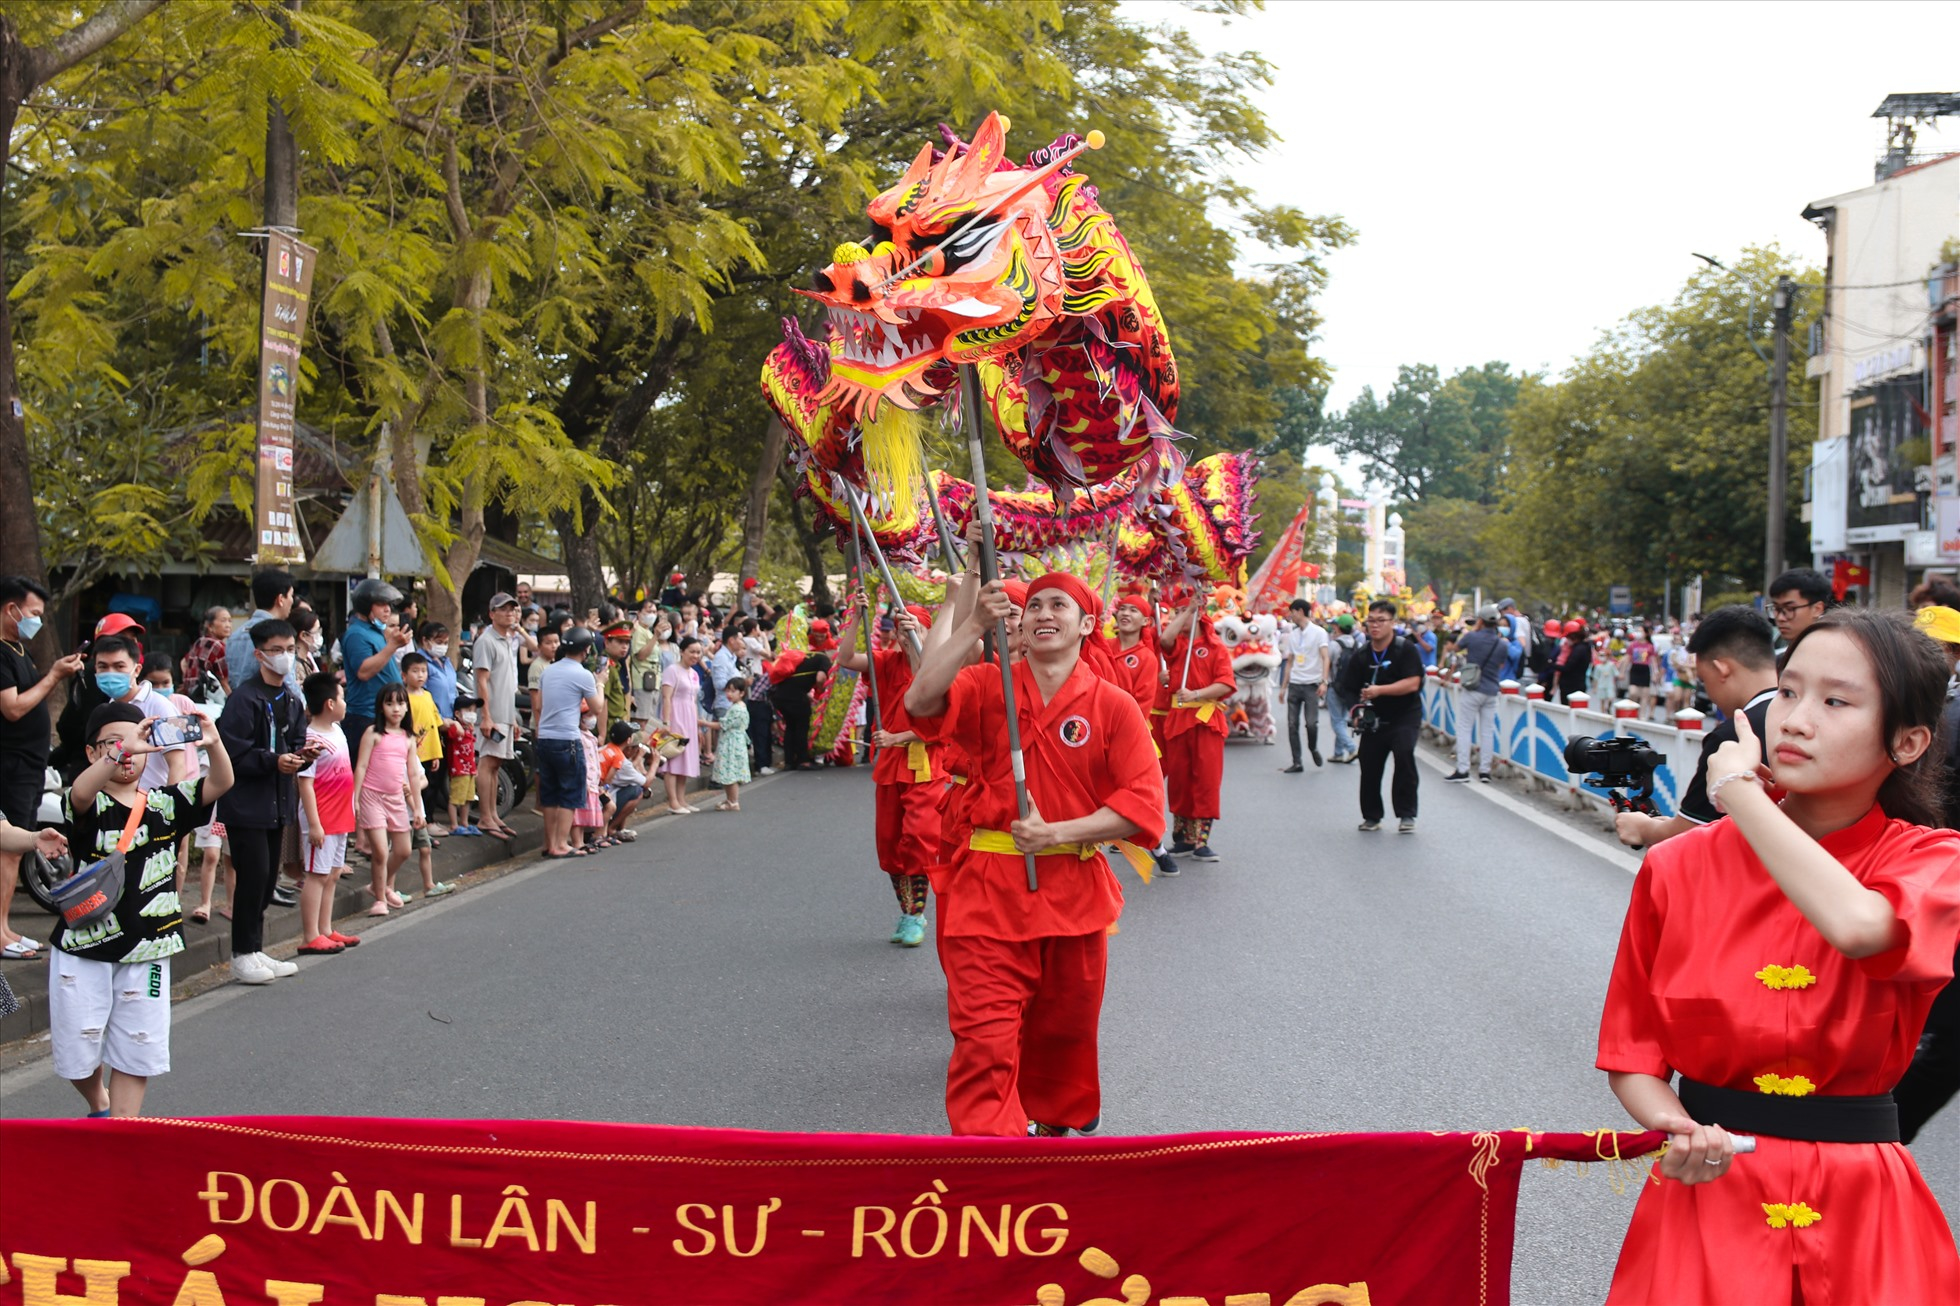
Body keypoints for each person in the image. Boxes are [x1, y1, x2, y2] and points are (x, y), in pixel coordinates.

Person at [1596, 608, 1960, 1304]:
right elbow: (1632, 1056)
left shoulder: (1931, 861)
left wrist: (1736, 794)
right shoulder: (1676, 868)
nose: (1793, 720)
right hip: (1710, 1192)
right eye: (1788, 692)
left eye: (1835, 701)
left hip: (1863, 1205)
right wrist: (1678, 1128)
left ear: (1908, 741)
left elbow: (1861, 928)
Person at [905, 571, 1165, 1137]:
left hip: (1073, 898)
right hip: (987, 896)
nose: (1044, 613)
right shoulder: (985, 685)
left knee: (1062, 1032)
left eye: (1059, 605)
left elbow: (1144, 808)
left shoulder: (1113, 705)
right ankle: (990, 1167)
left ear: (1086, 624)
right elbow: (921, 700)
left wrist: (1059, 833)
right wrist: (972, 616)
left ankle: (1050, 1125)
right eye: (1035, 606)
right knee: (985, 1041)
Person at [55, 699, 233, 1115]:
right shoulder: (84, 802)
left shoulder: (165, 804)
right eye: (113, 744)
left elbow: (220, 783)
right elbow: (81, 792)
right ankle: (99, 1101)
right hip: (84, 945)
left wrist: (213, 742)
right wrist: (123, 747)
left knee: (138, 1045)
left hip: (150, 946)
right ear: (91, 753)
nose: (129, 752)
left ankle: (121, 1129)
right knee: (77, 1047)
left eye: (138, 742)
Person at [1613, 606, 1778, 849]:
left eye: (1703, 679)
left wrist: (1644, 828)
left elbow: (1692, 832)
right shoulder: (1801, 716)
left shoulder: (1733, 736)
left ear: (1722, 669)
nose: (1708, 693)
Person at [212, 618, 308, 986]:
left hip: (278, 803)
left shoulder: (290, 698)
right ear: (259, 654)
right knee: (252, 878)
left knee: (268, 879)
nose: (284, 657)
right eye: (276, 650)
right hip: (247, 805)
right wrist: (273, 761)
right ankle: (241, 955)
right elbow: (231, 753)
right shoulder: (244, 699)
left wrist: (303, 755)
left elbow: (297, 739)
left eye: (289, 649)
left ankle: (254, 948)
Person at [836, 603, 936, 943]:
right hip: (890, 765)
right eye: (901, 631)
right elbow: (846, 659)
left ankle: (916, 914)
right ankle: (908, 912)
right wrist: (855, 619)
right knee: (891, 843)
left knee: (920, 840)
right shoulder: (887, 663)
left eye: (915, 631)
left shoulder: (938, 669)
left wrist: (898, 737)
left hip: (925, 765)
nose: (907, 637)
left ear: (928, 634)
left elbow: (943, 723)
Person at [0, 576, 85, 958]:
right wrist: (53, 675)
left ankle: (4, 928)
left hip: (29, 764)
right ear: (10, 609)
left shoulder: (17, 648)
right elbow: (13, 707)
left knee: (15, 849)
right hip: (11, 765)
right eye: (33, 613)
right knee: (8, 846)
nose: (36, 620)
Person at [1335, 600, 1426, 833]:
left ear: (1392, 623)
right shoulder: (1361, 654)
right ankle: (1372, 816)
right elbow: (1348, 687)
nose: (1375, 626)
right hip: (1374, 717)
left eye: (1381, 620)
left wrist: (1380, 690)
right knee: (1369, 763)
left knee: (1404, 754)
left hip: (1404, 714)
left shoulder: (1405, 649)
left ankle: (1406, 815)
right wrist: (1355, 710)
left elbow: (1413, 683)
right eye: (1371, 621)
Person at [1159, 598, 1235, 861]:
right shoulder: (1178, 646)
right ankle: (1182, 839)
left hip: (1206, 719)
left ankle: (1201, 841)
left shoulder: (1216, 648)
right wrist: (1186, 611)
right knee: (1179, 780)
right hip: (1179, 720)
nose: (1177, 617)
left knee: (1205, 779)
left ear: (1200, 614)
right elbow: (1164, 638)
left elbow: (1225, 684)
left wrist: (1196, 694)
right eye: (1175, 612)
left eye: (1184, 612)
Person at [295, 673, 362, 955]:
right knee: (317, 874)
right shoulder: (311, 738)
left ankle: (325, 929)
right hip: (321, 816)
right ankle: (311, 934)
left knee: (332, 873)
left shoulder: (337, 731)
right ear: (330, 703)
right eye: (343, 698)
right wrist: (314, 824)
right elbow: (305, 783)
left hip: (340, 813)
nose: (346, 704)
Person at [352, 683, 422, 915]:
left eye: (401, 703)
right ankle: (380, 898)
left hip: (396, 799)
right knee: (380, 851)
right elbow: (361, 766)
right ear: (381, 707)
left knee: (403, 850)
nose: (396, 709)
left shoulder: (408, 737)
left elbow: (412, 774)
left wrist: (419, 809)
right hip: (372, 797)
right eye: (389, 703)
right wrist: (356, 797)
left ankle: (379, 885)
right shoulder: (373, 733)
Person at [88, 635, 191, 792]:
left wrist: (168, 806)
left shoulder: (162, 707)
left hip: (152, 803)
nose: (110, 673)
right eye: (103, 667)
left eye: (119, 666)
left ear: (136, 670)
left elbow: (178, 763)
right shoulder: (108, 709)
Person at [536, 629, 605, 857]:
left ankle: (549, 843)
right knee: (569, 792)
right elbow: (596, 708)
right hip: (567, 738)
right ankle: (561, 844)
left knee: (549, 793)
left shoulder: (548, 671)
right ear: (586, 650)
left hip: (545, 737)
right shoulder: (583, 674)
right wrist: (601, 684)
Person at [472, 592, 523, 842]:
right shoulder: (486, 641)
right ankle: (485, 816)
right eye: (503, 609)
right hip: (491, 713)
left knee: (496, 765)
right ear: (492, 613)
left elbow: (506, 684)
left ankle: (492, 814)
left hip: (504, 712)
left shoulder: (507, 640)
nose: (509, 613)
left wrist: (512, 718)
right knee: (487, 763)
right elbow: (482, 681)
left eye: (512, 609)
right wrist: (486, 716)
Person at [1446, 606, 1518, 784]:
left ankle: (1463, 769)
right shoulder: (1502, 643)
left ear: (1480, 621)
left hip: (1472, 688)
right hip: (1492, 690)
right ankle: (1485, 771)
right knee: (1487, 732)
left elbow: (1455, 648)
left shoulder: (1471, 637)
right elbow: (1501, 665)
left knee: (1464, 729)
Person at [225, 569, 301, 696]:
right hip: (269, 709)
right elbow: (288, 685)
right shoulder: (280, 637)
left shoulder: (235, 635)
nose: (292, 601)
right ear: (280, 599)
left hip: (240, 707)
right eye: (291, 595)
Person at [1277, 598, 1330, 773]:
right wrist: (1283, 687)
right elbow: (1290, 662)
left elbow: (1325, 657)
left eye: (1292, 612)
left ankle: (1313, 748)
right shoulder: (1293, 634)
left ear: (1299, 611)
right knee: (1292, 724)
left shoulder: (1319, 632)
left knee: (1311, 723)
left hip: (1311, 685)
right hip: (1294, 684)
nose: (1290, 615)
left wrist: (1324, 681)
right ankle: (1297, 761)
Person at [658, 637, 705, 813]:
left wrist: (698, 724)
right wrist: (667, 722)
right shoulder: (672, 670)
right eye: (692, 651)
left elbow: (693, 700)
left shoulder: (694, 673)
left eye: (698, 652)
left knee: (686, 759)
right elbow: (666, 698)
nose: (695, 655)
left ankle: (682, 799)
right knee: (674, 758)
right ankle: (673, 802)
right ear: (682, 651)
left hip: (690, 716)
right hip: (676, 715)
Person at [710, 677, 752, 812]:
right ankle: (730, 800)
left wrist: (703, 723)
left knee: (730, 773)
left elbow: (723, 724)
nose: (729, 694)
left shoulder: (737, 709)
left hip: (732, 743)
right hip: (733, 741)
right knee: (728, 772)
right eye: (728, 691)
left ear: (741, 693)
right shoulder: (737, 706)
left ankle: (733, 801)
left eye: (733, 691)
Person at [599, 721, 648, 837]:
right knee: (610, 805)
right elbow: (608, 779)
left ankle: (604, 833)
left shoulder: (606, 748)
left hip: (594, 787)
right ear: (628, 740)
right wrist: (605, 790)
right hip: (600, 790)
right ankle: (601, 834)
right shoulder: (618, 756)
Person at [444, 693, 482, 836]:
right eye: (468, 710)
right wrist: (454, 723)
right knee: (456, 798)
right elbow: (446, 724)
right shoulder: (456, 729)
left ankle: (464, 822)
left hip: (470, 769)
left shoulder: (470, 730)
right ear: (458, 713)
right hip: (459, 770)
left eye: (473, 711)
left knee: (468, 798)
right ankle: (454, 825)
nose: (472, 714)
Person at [1325, 614, 1361, 764]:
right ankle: (1338, 753)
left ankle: (1352, 748)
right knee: (1342, 719)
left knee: (1336, 722)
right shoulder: (1356, 644)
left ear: (1338, 627)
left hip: (1335, 686)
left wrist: (1323, 682)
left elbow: (1327, 664)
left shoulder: (1334, 645)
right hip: (1351, 688)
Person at [1768, 566, 1831, 649]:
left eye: (1790, 609)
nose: (1780, 618)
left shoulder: (1834, 652)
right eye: (1776, 608)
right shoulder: (1783, 656)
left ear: (1817, 609)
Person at [181, 606, 233, 706]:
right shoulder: (218, 646)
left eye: (230, 621)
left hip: (191, 697)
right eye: (223, 621)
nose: (228, 625)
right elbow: (224, 681)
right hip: (209, 700)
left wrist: (190, 680)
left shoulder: (199, 642)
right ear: (210, 626)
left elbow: (183, 662)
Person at [1554, 618, 1592, 704]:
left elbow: (1567, 667)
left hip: (1572, 687)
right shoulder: (1583, 647)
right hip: (1574, 686)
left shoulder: (1579, 649)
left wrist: (1551, 664)